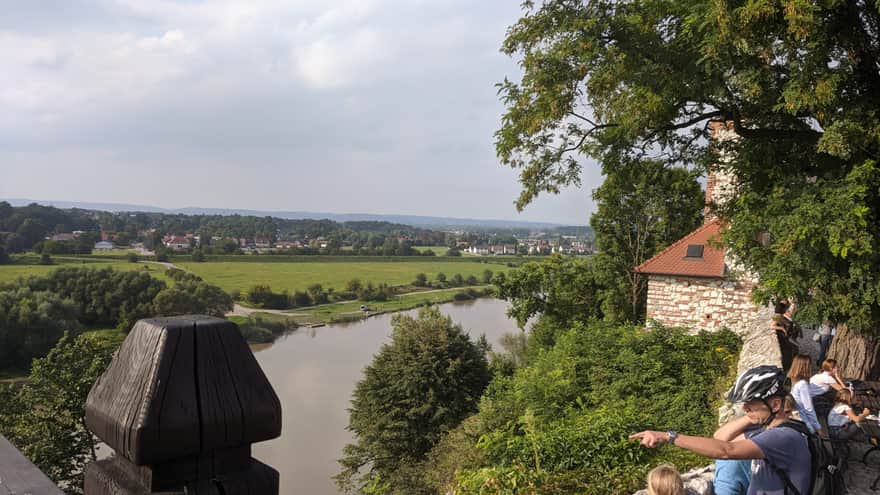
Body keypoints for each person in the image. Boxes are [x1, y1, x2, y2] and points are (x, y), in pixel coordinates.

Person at [630, 366, 811, 495]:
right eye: (744, 405)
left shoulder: (782, 437)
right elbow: (721, 438)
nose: (745, 408)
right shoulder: (768, 430)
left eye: (751, 404)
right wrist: (752, 414)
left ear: (776, 404)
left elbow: (725, 450)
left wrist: (668, 436)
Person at [788, 354, 827, 436]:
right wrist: (818, 428)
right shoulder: (803, 384)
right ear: (805, 367)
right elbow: (808, 408)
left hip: (796, 417)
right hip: (803, 420)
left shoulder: (793, 380)